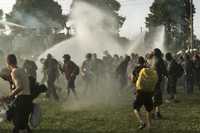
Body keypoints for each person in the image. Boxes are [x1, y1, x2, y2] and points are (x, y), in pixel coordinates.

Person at [0, 54, 32, 133]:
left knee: (17, 123)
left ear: (8, 62)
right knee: (22, 124)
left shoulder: (14, 72)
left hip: (21, 99)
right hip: (27, 98)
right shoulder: (21, 70)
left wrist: (9, 96)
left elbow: (20, 87)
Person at [133, 56, 158, 129]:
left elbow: (134, 79)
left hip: (140, 91)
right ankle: (149, 126)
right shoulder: (150, 70)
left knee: (136, 108)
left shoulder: (137, 69)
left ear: (138, 62)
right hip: (149, 92)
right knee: (149, 109)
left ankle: (141, 122)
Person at [152, 48, 167, 119]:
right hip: (157, 80)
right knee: (157, 96)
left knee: (154, 96)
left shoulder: (153, 60)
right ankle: (156, 113)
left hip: (152, 80)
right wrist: (167, 75)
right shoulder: (160, 60)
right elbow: (164, 70)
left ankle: (154, 112)